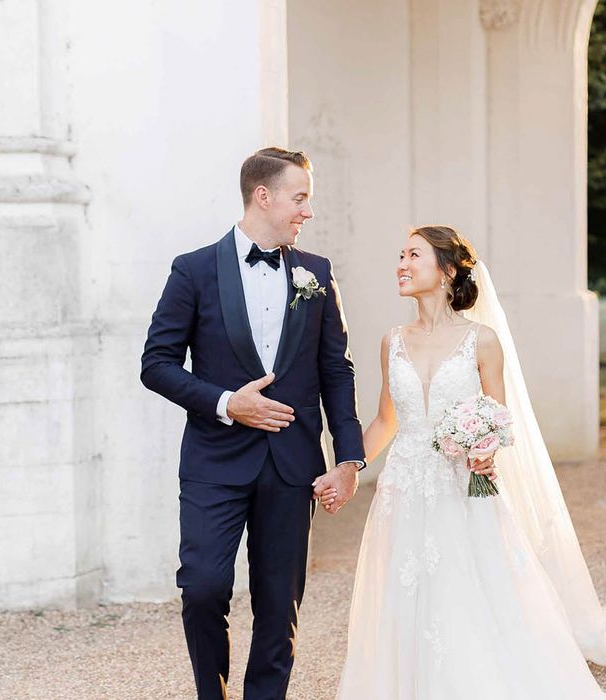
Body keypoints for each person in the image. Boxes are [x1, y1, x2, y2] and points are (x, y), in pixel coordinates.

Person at [315, 225, 606, 699]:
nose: (401, 263)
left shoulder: (482, 341)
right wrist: (348, 466)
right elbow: (385, 421)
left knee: (464, 590)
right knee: (406, 588)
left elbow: (497, 418)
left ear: (446, 271)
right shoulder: (391, 341)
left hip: (462, 487)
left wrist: (485, 449)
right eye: (400, 254)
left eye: (413, 255)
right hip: (403, 487)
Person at [140, 147, 366, 700]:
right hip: (214, 462)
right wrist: (225, 403)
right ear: (263, 196)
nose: (307, 211)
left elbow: (336, 369)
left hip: (291, 465)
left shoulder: (317, 273)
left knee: (277, 604)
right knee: (203, 586)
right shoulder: (192, 270)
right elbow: (157, 365)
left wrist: (348, 458)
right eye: (301, 198)